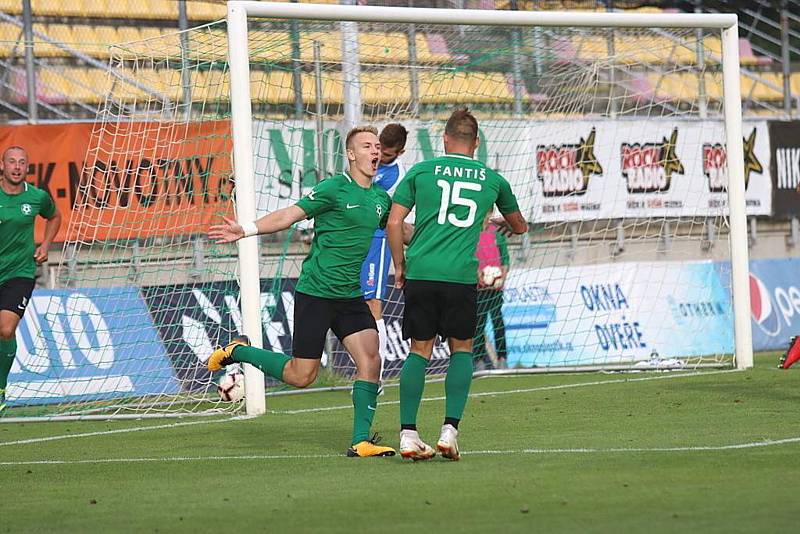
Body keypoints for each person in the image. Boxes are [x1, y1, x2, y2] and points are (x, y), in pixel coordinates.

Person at [208, 126, 401, 458]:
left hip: (350, 296)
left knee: (371, 359)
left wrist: (442, 233)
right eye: (366, 146)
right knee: (302, 376)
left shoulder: (381, 199)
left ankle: (360, 440)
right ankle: (238, 351)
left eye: (377, 147)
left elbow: (399, 228)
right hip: (316, 293)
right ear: (351, 155)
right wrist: (247, 229)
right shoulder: (333, 189)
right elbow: (289, 215)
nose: (374, 151)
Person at [386, 108, 527, 461]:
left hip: (421, 271)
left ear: (445, 139)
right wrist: (499, 217)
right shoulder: (493, 180)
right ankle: (449, 431)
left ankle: (407, 435)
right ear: (476, 143)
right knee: (462, 349)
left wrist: (400, 265)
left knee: (419, 350)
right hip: (461, 276)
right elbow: (520, 225)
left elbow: (394, 222)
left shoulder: (421, 171)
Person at [0, 146, 62, 412]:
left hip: (20, 273)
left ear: (27, 168)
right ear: (2, 166)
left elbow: (55, 216)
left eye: (22, 163)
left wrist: (46, 245)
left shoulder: (36, 196)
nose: (16, 167)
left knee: (5, 329)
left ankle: (1, 386)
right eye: (11, 162)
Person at [360, 123, 408, 379]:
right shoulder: (367, 162)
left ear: (400, 152)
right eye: (379, 150)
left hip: (377, 241)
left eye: (387, 155)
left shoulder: (397, 176)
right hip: (354, 240)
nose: (380, 157)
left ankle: (375, 375)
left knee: (373, 303)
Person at [474, 213, 510, 371]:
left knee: (497, 322)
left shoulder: (497, 233)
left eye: (489, 214)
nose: (487, 218)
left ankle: (502, 358)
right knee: (478, 324)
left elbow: (506, 259)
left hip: (496, 289)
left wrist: (501, 276)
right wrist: (478, 275)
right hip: (479, 289)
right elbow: (469, 257)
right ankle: (479, 360)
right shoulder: (471, 234)